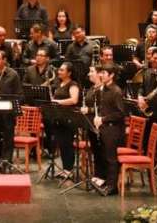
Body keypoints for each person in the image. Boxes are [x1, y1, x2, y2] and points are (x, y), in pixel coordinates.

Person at [81, 65, 125, 194]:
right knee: (105, 156)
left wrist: (103, 119)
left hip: (113, 129)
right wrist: (97, 117)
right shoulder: (103, 89)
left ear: (111, 75)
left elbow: (120, 113)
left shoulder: (116, 91)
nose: (101, 75)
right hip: (104, 128)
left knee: (111, 158)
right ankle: (107, 182)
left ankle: (112, 187)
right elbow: (102, 107)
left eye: (104, 73)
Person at [50, 62, 80, 179]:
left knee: (67, 144)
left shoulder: (73, 85)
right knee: (62, 145)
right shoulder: (58, 83)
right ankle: (65, 169)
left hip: (69, 119)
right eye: (59, 70)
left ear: (69, 73)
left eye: (62, 70)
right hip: (58, 117)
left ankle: (69, 170)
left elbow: (74, 100)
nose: (59, 72)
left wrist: (58, 102)